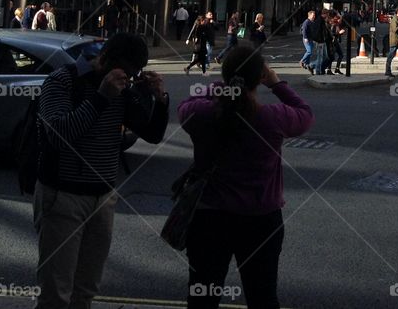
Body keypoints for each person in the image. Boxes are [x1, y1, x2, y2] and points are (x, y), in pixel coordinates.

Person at [34, 33, 168, 309]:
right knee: (56, 294)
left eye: (134, 74)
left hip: (103, 197)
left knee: (85, 290)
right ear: (105, 59)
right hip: (63, 195)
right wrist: (101, 97)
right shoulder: (62, 81)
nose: (128, 78)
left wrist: (159, 100)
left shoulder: (121, 89)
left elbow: (152, 134)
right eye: (125, 71)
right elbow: (59, 135)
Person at [179, 44, 313, 309]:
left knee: (202, 298)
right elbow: (305, 113)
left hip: (209, 218)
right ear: (259, 78)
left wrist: (223, 85)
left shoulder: (202, 115)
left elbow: (185, 106)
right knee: (262, 297)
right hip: (261, 220)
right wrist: (276, 83)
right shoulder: (272, 118)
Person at [385, 8, 398, 77]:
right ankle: (387, 71)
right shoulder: (395, 19)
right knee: (390, 57)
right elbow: (396, 29)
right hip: (395, 41)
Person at [309, 9, 330, 75]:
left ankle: (311, 65)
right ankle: (318, 72)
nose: (328, 15)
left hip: (323, 41)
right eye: (327, 14)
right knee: (320, 58)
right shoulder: (319, 20)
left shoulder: (322, 20)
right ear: (325, 14)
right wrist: (319, 40)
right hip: (320, 42)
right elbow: (317, 32)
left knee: (325, 57)